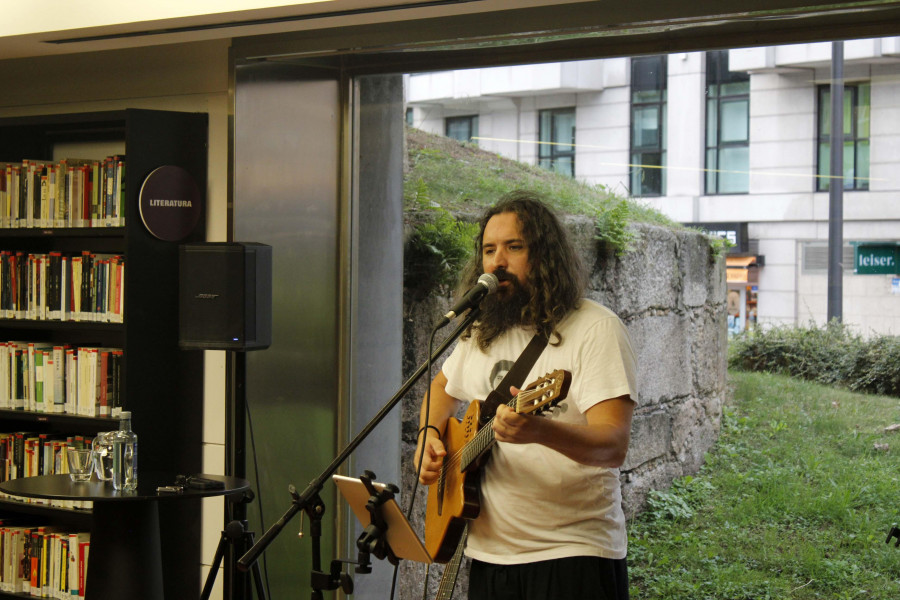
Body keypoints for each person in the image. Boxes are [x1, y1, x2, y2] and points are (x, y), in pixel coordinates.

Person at [415, 190, 638, 600]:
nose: (497, 261)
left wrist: (541, 432)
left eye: (514, 247)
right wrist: (428, 434)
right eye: (488, 249)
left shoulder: (595, 329)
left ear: (545, 255)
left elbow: (613, 444)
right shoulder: (481, 331)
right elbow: (440, 389)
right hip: (488, 555)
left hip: (572, 555)